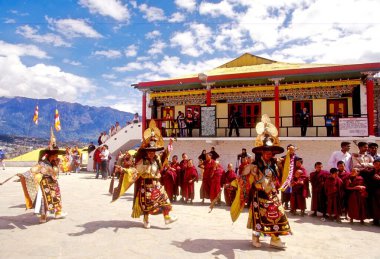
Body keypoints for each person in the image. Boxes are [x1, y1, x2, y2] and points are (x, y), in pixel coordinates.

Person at [230, 114, 291, 249]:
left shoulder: (275, 163)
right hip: (259, 195)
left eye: (271, 151)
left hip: (272, 194)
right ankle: (255, 237)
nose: (269, 153)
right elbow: (243, 176)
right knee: (258, 217)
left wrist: (289, 154)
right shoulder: (255, 165)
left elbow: (286, 166)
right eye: (266, 151)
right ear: (261, 152)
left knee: (278, 214)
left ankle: (275, 238)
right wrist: (237, 180)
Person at [111, 120, 177, 229]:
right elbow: (135, 171)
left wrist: (170, 144)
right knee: (147, 204)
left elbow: (165, 156)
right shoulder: (144, 161)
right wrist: (123, 170)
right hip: (146, 185)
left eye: (153, 151)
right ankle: (146, 219)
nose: (152, 153)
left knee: (164, 200)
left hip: (157, 184)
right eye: (150, 151)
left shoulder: (157, 159)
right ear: (146, 152)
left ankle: (167, 217)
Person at [17, 146, 67, 223]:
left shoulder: (54, 162)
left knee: (57, 197)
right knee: (44, 199)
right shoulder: (42, 163)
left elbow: (57, 172)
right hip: (45, 183)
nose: (57, 156)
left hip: (54, 183)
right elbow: (32, 170)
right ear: (51, 155)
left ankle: (58, 213)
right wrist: (23, 175)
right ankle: (43, 216)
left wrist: (57, 164)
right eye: (55, 155)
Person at [280, 144, 299, 210]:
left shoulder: (297, 158)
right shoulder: (284, 157)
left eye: (292, 149)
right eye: (289, 149)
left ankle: (292, 205)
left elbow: (298, 166)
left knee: (292, 191)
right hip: (285, 176)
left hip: (293, 176)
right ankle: (284, 203)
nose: (291, 151)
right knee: (284, 190)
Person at [370, 158, 380, 225]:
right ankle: (375, 220)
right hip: (374, 192)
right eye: (376, 164)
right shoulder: (371, 172)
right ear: (373, 165)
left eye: (379, 165)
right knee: (375, 206)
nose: (377, 166)